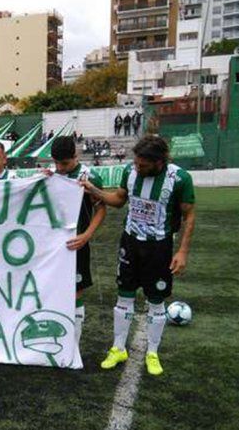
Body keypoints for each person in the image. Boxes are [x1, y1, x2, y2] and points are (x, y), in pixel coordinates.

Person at [81, 136, 196, 376]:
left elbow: (189, 216)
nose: (137, 168)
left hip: (159, 247)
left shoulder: (180, 179)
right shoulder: (129, 172)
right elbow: (119, 200)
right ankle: (118, 348)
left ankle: (152, 353)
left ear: (159, 162)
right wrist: (95, 191)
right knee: (124, 297)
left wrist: (183, 251)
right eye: (136, 163)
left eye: (143, 165)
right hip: (130, 243)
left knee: (156, 300)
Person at [47, 137, 107, 347]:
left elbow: (101, 209)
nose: (60, 168)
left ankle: (73, 345)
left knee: (75, 292)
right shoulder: (52, 175)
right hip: (53, 247)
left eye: (64, 164)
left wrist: (87, 235)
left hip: (77, 245)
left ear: (76, 156)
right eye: (56, 163)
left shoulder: (90, 177)